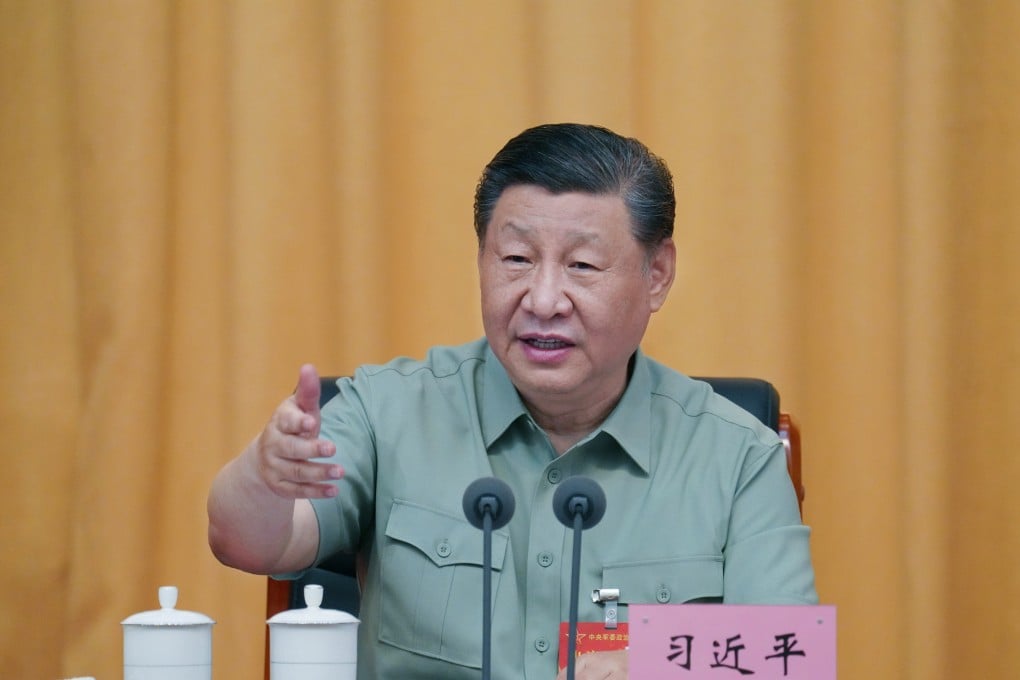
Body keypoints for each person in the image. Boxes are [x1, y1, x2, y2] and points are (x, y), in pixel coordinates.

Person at [207, 123, 817, 680]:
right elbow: (250, 543)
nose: (543, 298)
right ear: (482, 260)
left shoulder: (738, 457)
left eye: (581, 265)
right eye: (517, 259)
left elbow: (795, 654)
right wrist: (264, 478)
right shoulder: (388, 411)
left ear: (656, 274)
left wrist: (651, 662)